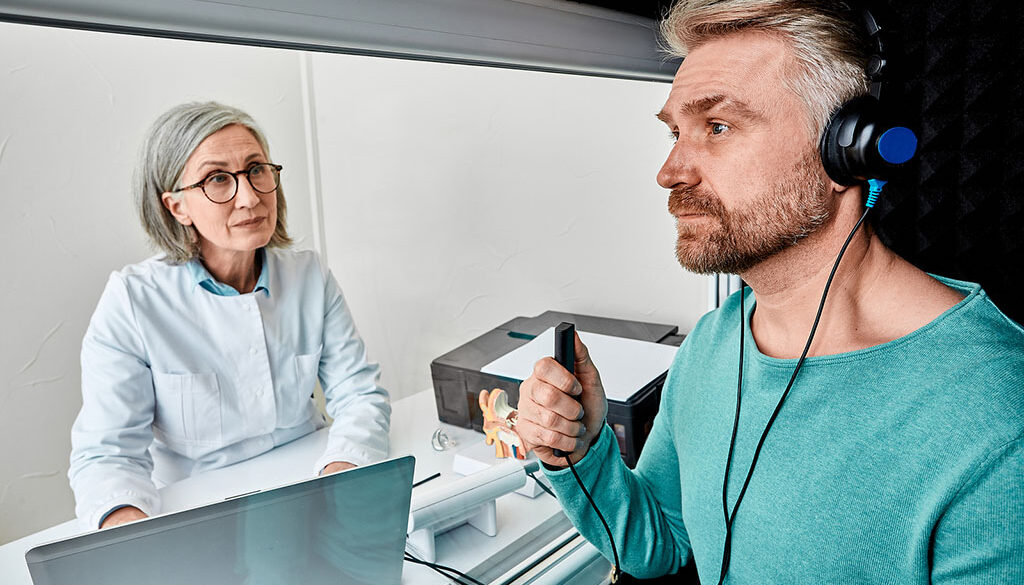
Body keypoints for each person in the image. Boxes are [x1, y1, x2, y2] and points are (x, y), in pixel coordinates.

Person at [515, 1, 1024, 583]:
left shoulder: (997, 417)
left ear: (848, 148)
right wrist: (581, 452)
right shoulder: (714, 340)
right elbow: (662, 543)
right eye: (677, 132)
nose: (670, 170)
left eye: (718, 126)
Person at [69, 102, 390, 530]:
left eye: (257, 169)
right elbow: (107, 456)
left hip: (313, 489)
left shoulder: (308, 275)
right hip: (200, 514)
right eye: (218, 179)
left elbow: (359, 395)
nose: (250, 196)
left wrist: (344, 471)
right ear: (176, 206)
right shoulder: (133, 301)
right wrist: (134, 538)